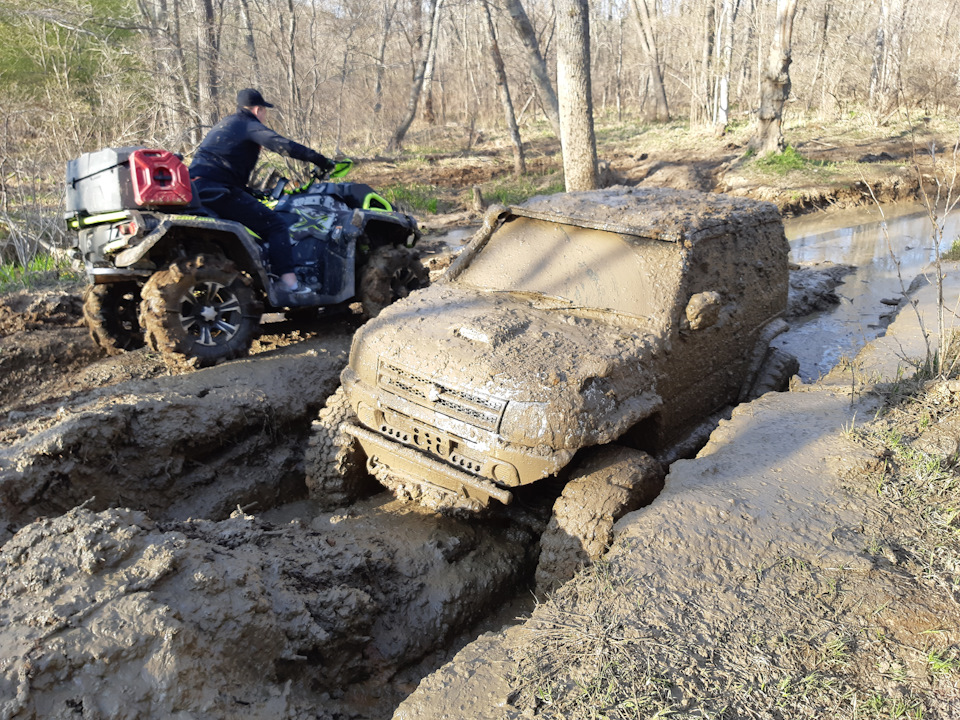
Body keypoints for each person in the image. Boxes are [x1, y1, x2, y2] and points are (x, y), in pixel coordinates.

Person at [189, 88, 336, 304]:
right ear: (258, 110)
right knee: (275, 226)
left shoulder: (224, 124)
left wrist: (252, 193)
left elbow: (220, 167)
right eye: (265, 111)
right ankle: (290, 285)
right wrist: (320, 160)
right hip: (218, 190)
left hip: (197, 189)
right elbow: (283, 145)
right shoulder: (248, 124)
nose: (265, 116)